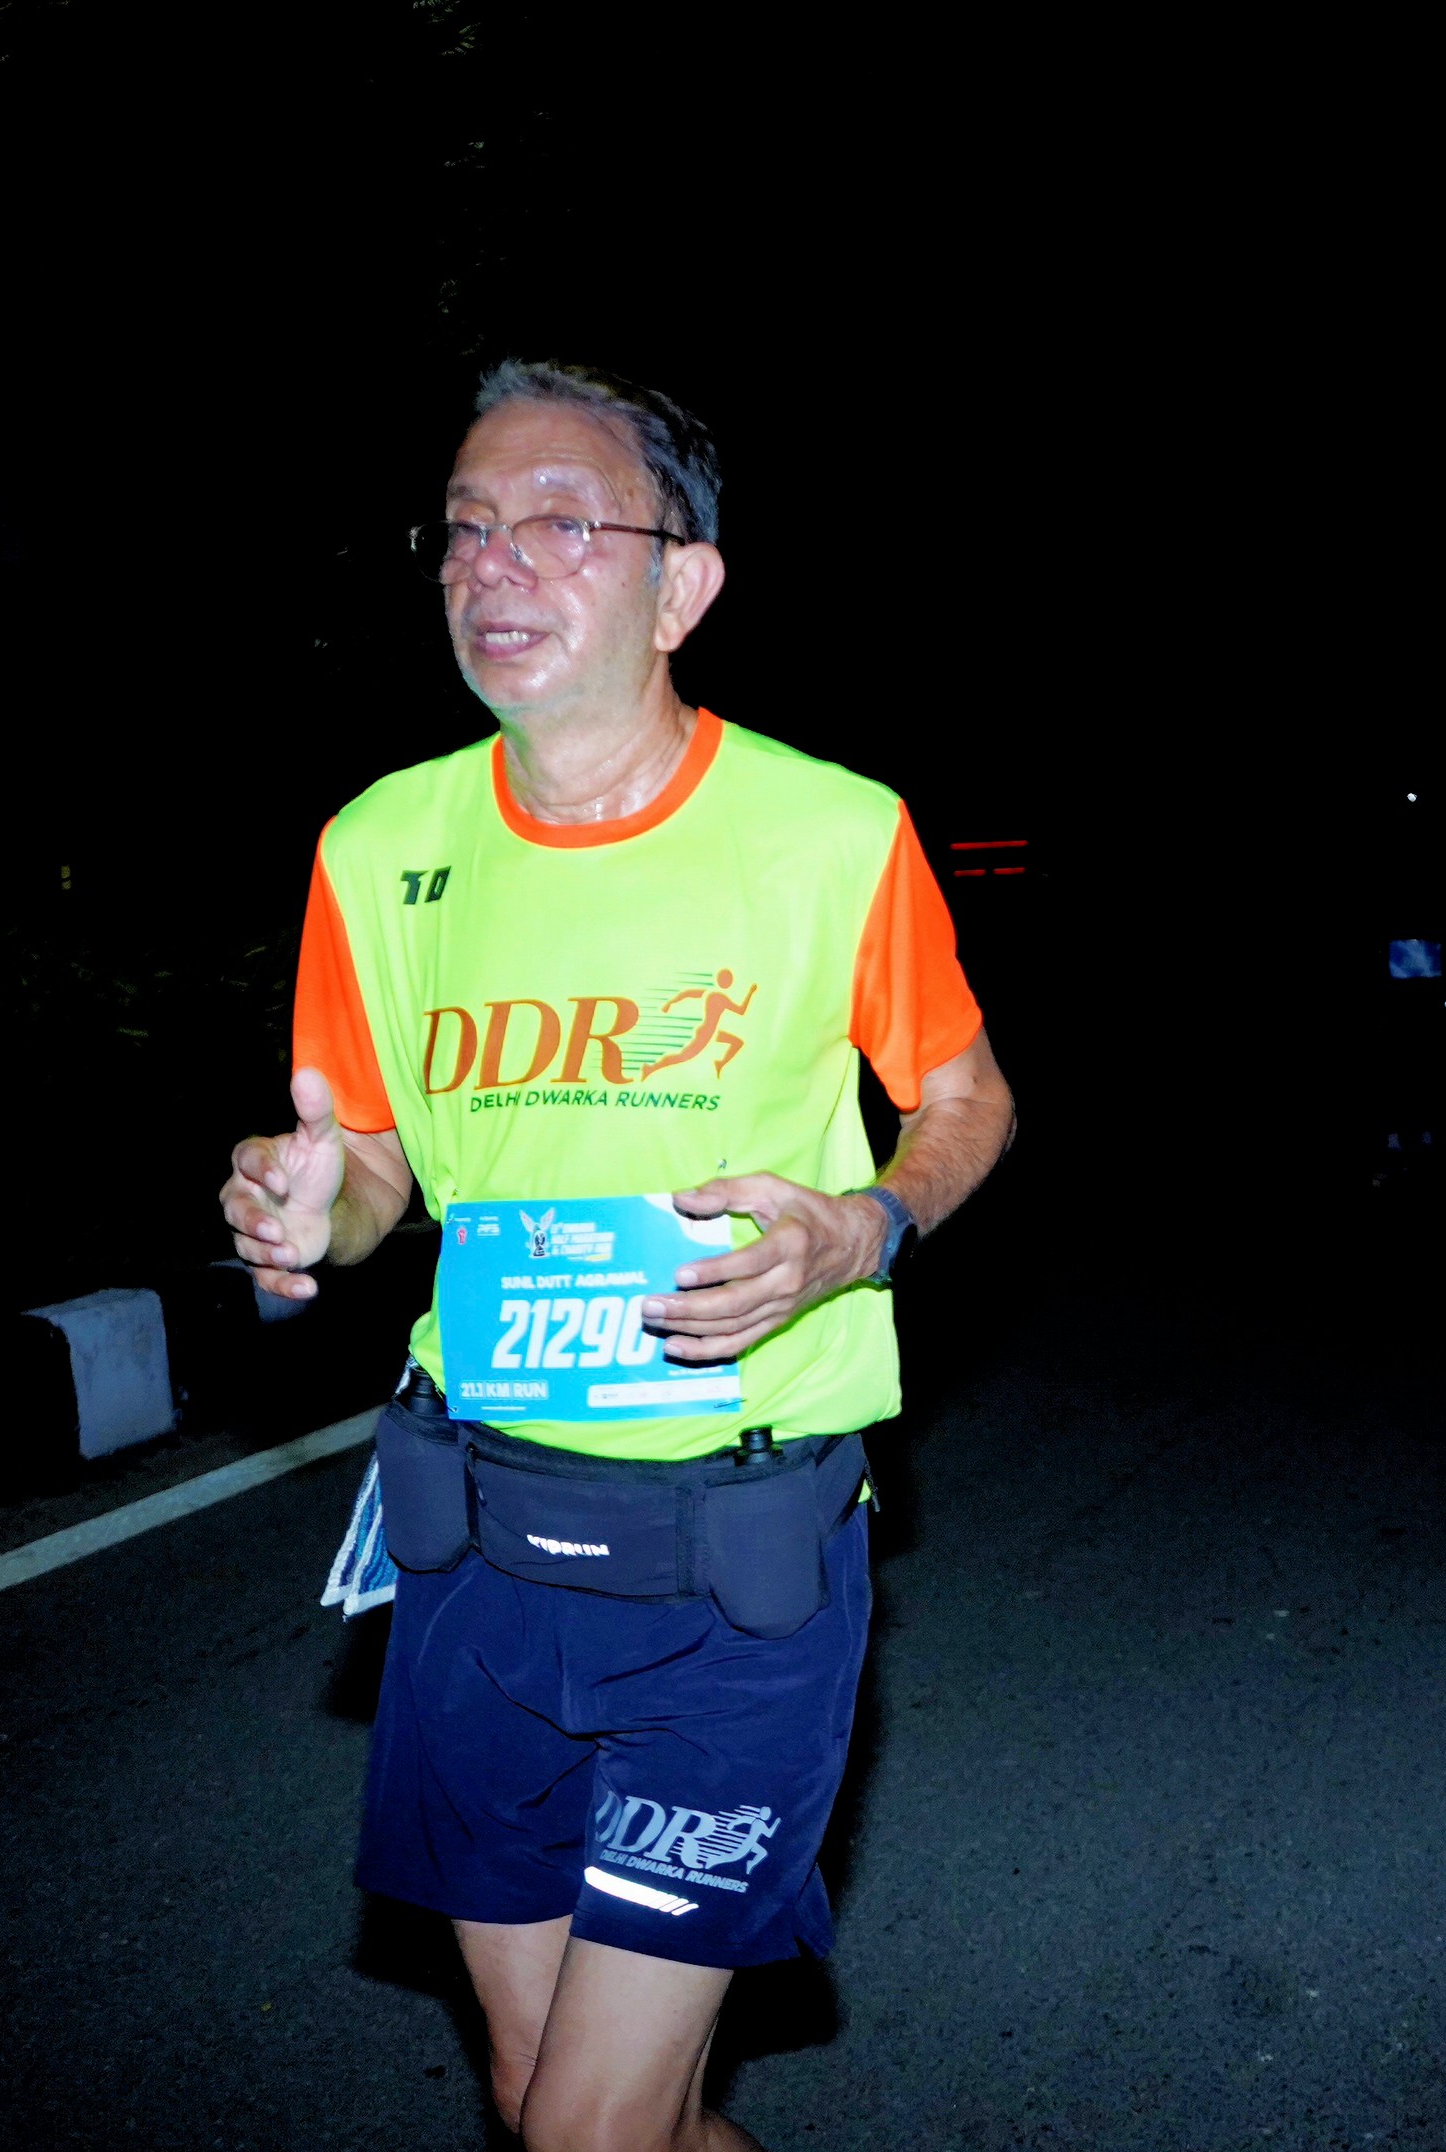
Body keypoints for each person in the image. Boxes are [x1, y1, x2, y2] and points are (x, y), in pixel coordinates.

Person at [219, 361, 1014, 2152]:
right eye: (465, 528)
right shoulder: (379, 847)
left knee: (586, 2130)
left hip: (734, 1568)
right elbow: (375, 1163)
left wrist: (866, 1224)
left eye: (561, 521)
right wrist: (311, 1208)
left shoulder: (830, 832)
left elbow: (967, 1099)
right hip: (477, 1548)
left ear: (682, 585)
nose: (495, 562)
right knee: (544, 2103)